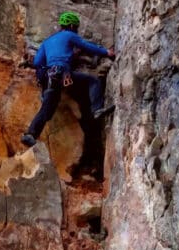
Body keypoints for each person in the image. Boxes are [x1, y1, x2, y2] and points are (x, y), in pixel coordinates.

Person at [21, 11, 115, 148]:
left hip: (49, 78)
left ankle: (30, 134)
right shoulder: (70, 35)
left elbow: (37, 63)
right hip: (62, 73)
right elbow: (87, 46)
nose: (76, 30)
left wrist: (44, 88)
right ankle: (97, 109)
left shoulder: (47, 42)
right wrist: (107, 52)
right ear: (71, 25)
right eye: (76, 27)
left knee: (46, 110)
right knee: (92, 81)